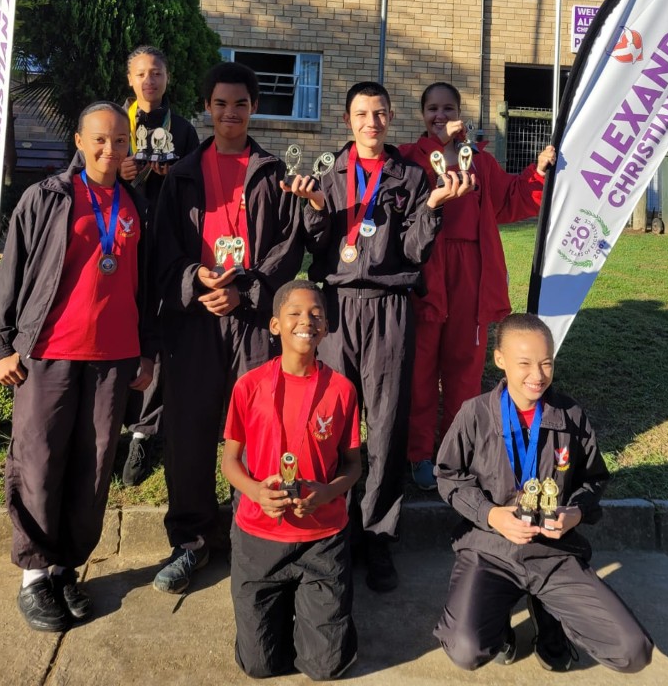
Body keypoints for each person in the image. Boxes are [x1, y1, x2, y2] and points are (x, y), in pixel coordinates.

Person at [285, 80, 474, 593]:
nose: (372, 122)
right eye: (362, 114)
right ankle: (334, 527)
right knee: (332, 423)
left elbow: (413, 251)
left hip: (390, 308)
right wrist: (314, 207)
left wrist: (432, 206)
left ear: (390, 118)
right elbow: (318, 245)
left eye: (380, 113)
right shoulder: (329, 171)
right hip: (337, 309)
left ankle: (378, 536)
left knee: (387, 425)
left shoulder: (410, 175)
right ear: (348, 119)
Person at [0, 102, 155, 632]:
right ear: (79, 143)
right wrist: (2, 344)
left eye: (120, 140)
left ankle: (66, 568)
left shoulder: (135, 204)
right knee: (39, 459)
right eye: (100, 140)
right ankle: (34, 575)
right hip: (50, 353)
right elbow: (13, 271)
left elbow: (145, 284)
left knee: (94, 463)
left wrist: (146, 350)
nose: (110, 149)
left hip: (114, 358)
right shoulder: (47, 197)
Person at [151, 61, 303, 594]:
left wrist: (248, 290)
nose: (230, 113)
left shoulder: (273, 172)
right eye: (220, 103)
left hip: (254, 320)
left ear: (254, 107)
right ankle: (191, 540)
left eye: (240, 104)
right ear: (207, 107)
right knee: (189, 430)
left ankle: (251, 531)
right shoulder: (182, 174)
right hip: (196, 320)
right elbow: (163, 249)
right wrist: (196, 280)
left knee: (258, 428)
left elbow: (289, 246)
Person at [433, 312, 653, 674]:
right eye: (524, 363)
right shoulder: (474, 414)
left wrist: (575, 513)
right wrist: (490, 514)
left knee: (633, 651)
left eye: (546, 362)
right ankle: (498, 621)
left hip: (555, 552)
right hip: (491, 550)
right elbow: (448, 476)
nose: (537, 375)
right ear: (500, 359)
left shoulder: (571, 416)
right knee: (467, 648)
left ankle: (548, 612)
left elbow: (594, 479)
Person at [400, 81, 555, 491]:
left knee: (464, 368)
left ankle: (456, 449)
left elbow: (510, 199)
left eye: (448, 109)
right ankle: (419, 452)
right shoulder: (410, 158)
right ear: (422, 115)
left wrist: (537, 172)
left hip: (471, 271)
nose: (440, 116)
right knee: (420, 367)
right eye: (432, 109)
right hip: (427, 269)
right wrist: (438, 152)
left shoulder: (479, 161)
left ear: (460, 113)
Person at [222, 280, 361, 680]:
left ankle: (321, 609)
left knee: (326, 667)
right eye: (295, 313)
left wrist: (327, 492)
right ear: (275, 324)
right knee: (259, 664)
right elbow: (230, 462)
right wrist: (255, 492)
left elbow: (353, 466)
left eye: (316, 314)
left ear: (327, 326)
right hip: (259, 537)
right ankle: (286, 604)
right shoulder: (249, 386)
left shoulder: (342, 390)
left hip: (321, 538)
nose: (307, 321)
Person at [119, 45, 200, 487]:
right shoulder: (117, 125)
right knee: (124, 327)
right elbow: (90, 174)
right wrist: (119, 172)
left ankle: (145, 431)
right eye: (142, 73)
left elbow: (196, 189)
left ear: (167, 78)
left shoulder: (183, 130)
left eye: (157, 73)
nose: (149, 80)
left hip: (167, 243)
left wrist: (176, 178)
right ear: (130, 79)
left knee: (161, 331)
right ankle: (119, 418)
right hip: (120, 242)